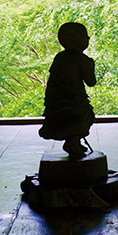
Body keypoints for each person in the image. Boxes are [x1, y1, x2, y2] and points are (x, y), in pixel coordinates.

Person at [38, 22, 97, 158]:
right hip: (75, 101)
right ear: (76, 40)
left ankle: (74, 141)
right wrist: (90, 66)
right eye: (85, 36)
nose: (88, 39)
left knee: (72, 119)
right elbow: (91, 82)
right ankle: (72, 141)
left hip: (56, 102)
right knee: (84, 117)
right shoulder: (82, 60)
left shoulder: (60, 57)